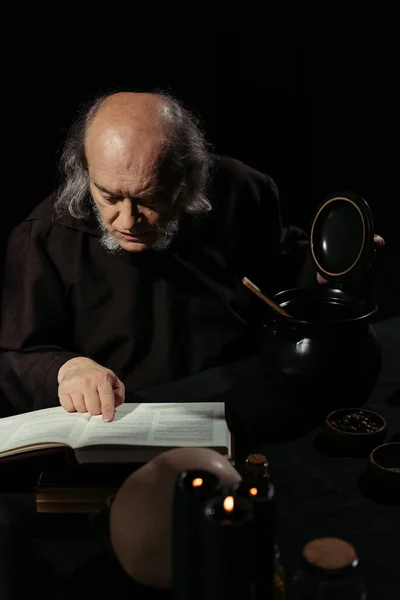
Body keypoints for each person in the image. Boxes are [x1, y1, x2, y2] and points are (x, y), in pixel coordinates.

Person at [0, 91, 383, 417]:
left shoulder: (243, 191)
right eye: (109, 196)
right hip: (124, 416)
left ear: (188, 178)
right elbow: (19, 355)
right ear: (86, 171)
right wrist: (68, 369)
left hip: (240, 400)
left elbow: (283, 267)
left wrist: (327, 274)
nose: (127, 220)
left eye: (148, 197)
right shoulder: (45, 238)